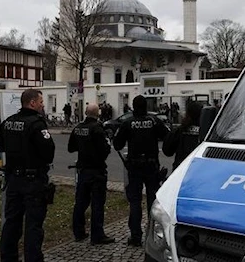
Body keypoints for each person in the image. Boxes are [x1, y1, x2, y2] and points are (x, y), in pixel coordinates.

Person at [0, 89, 55, 262]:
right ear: (32, 103)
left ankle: (8, 258)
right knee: (33, 225)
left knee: (11, 222)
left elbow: (0, 146)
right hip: (33, 181)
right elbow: (48, 152)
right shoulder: (36, 124)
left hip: (13, 180)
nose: (43, 104)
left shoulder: (8, 122)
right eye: (41, 101)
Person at [113, 95, 170, 246]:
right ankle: (153, 235)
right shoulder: (153, 121)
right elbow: (167, 137)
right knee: (153, 202)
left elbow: (117, 144)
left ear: (133, 106)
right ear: (146, 107)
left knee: (135, 202)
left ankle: (136, 236)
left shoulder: (128, 123)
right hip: (151, 166)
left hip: (135, 167)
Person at [68, 103, 115, 245]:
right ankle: (97, 235)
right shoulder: (97, 129)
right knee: (97, 204)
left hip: (83, 171)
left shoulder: (78, 128)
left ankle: (79, 232)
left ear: (85, 113)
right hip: (97, 171)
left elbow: (71, 148)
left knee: (80, 203)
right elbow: (105, 150)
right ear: (97, 114)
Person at [163, 101, 203, 171]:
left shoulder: (180, 130)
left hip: (181, 169)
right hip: (199, 169)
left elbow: (167, 150)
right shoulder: (206, 131)